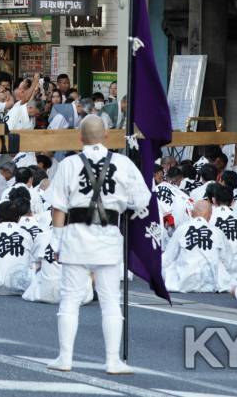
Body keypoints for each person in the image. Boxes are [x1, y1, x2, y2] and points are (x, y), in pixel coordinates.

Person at [46, 115, 151, 375]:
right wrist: (120, 201)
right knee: (110, 301)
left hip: (75, 237)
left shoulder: (69, 164)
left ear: (80, 138)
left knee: (69, 300)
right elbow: (142, 200)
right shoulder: (123, 163)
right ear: (106, 135)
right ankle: (112, 360)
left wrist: (56, 243)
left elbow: (58, 208)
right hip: (108, 238)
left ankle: (65, 358)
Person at [163, 200, 236, 293]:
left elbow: (167, 258)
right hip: (211, 281)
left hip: (185, 281)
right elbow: (228, 260)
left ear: (192, 213)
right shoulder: (217, 232)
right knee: (220, 262)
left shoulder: (182, 229)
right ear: (210, 215)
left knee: (169, 263)